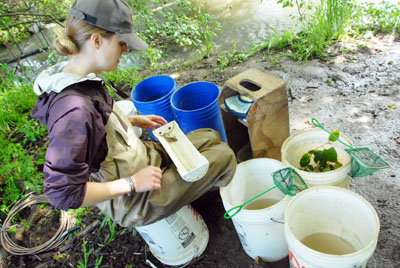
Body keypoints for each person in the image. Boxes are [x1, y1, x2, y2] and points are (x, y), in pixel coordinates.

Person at [31, 0, 236, 227]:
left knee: (208, 135)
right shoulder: (73, 108)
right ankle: (222, 202)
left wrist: (130, 120)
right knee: (223, 155)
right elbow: (62, 194)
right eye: (121, 43)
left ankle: (198, 186)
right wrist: (132, 183)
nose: (126, 50)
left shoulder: (79, 80)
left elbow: (92, 127)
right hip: (134, 198)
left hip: (141, 160)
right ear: (97, 41)